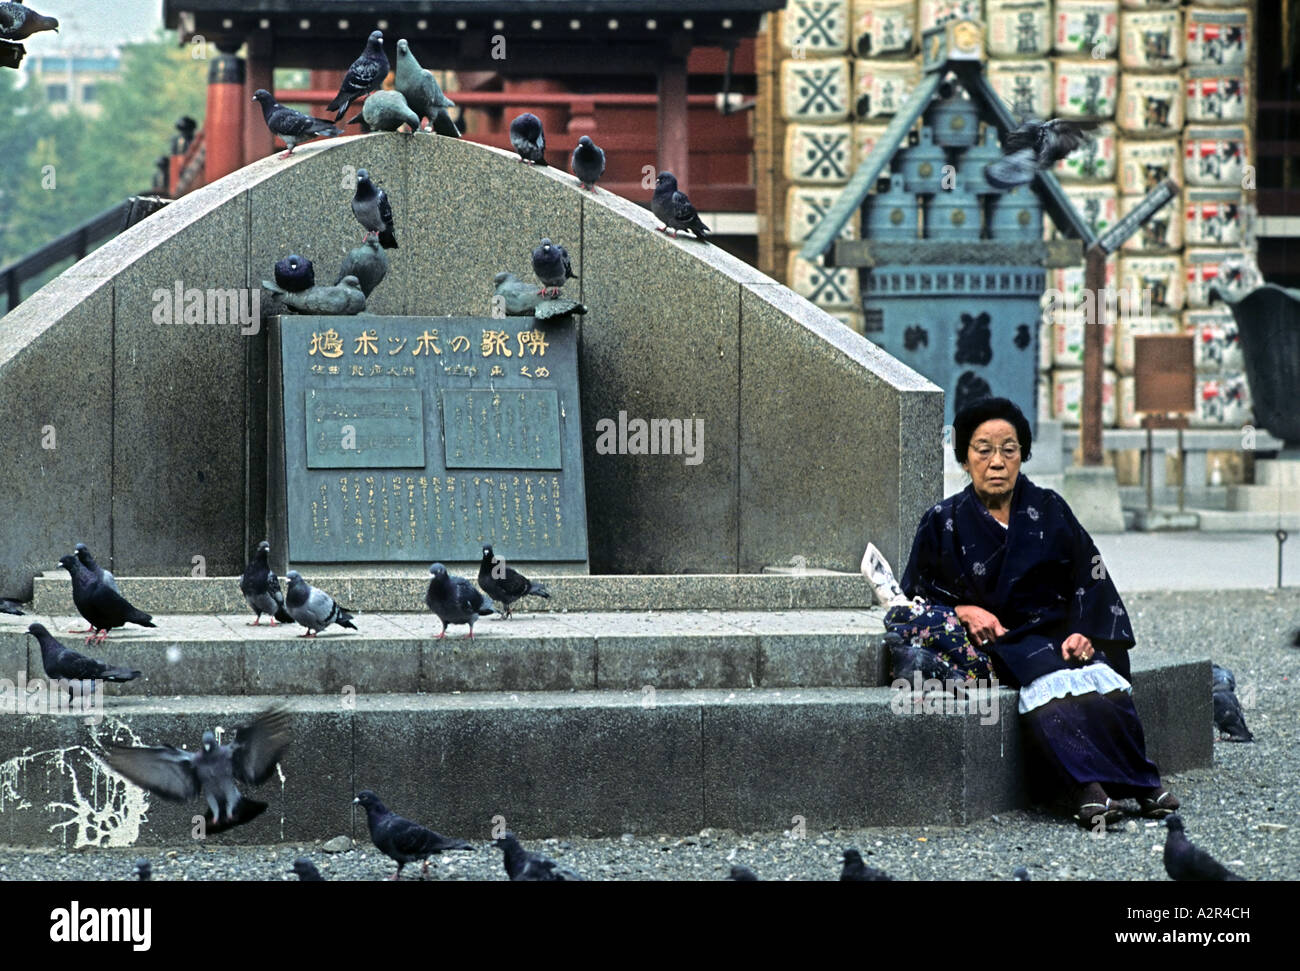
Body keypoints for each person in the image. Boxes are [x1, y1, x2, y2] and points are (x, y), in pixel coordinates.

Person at [899, 396, 1179, 827]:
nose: (997, 462)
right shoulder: (943, 520)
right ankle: (1087, 788)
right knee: (1046, 692)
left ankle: (1141, 781)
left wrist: (1085, 630)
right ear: (964, 458)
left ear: (1022, 455)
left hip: (1058, 633)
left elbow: (1092, 575)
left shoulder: (1049, 509)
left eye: (1008, 450)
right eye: (983, 449)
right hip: (1000, 644)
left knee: (1102, 684)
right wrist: (963, 610)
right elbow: (913, 599)